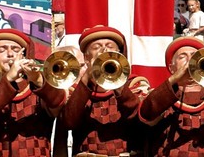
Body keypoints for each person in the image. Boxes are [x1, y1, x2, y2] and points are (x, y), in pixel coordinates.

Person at [0, 28, 67, 156]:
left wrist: (38, 80)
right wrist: (9, 78)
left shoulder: (39, 85)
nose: (10, 54)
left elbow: (58, 102)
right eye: (2, 50)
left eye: (15, 49)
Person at [59, 25, 150, 157]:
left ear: (119, 53)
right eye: (96, 47)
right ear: (86, 57)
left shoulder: (135, 84)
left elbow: (140, 117)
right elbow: (69, 122)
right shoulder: (76, 90)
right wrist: (86, 79)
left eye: (110, 46)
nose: (103, 50)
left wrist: (118, 83)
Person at [139, 36, 204, 156]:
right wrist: (175, 79)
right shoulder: (162, 96)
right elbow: (146, 114)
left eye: (194, 55)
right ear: (171, 67)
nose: (190, 60)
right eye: (182, 57)